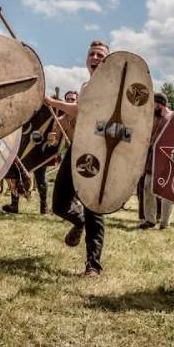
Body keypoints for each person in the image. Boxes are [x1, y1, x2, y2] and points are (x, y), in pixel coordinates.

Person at [44, 40, 109, 277]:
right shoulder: (86, 86)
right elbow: (78, 110)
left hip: (99, 150)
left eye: (100, 55)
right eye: (92, 54)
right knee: (59, 204)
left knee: (93, 206)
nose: (95, 58)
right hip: (78, 147)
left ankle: (93, 264)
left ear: (107, 61)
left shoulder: (111, 87)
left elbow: (83, 110)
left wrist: (53, 102)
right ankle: (79, 221)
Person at [138, 93, 174, 229]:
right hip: (151, 157)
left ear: (160, 104)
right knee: (147, 186)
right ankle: (150, 219)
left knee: (166, 191)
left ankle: (165, 221)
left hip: (167, 158)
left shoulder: (173, 117)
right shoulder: (152, 117)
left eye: (154, 104)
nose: (152, 107)